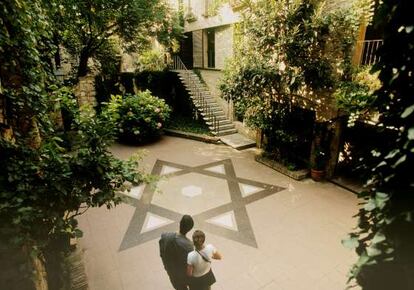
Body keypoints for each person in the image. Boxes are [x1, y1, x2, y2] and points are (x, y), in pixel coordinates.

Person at [160, 215, 194, 290]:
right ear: (190, 229)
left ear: (179, 223)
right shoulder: (189, 246)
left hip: (171, 272)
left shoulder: (165, 236)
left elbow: (162, 252)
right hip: (182, 275)